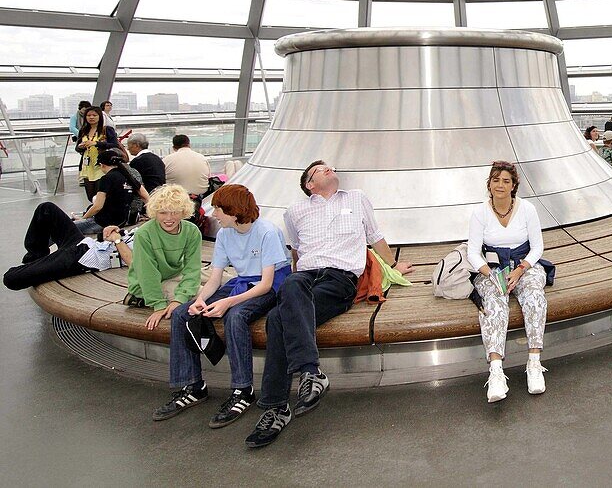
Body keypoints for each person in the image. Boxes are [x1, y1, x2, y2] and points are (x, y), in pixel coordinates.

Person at [245, 160, 413, 448]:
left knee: (277, 320)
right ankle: (310, 372)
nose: (329, 169)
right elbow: (297, 252)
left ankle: (276, 408)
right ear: (309, 184)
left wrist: (394, 265)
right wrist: (296, 286)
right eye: (321, 169)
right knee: (293, 284)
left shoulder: (357, 198)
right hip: (306, 277)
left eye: (329, 167)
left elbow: (374, 236)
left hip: (339, 280)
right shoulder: (295, 212)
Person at [154, 184, 292, 427]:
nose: (213, 212)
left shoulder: (267, 232)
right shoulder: (225, 234)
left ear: (234, 210)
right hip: (242, 282)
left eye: (218, 208)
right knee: (180, 314)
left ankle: (243, 390)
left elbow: (266, 284)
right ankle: (192, 385)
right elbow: (215, 279)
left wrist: (227, 302)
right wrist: (199, 300)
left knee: (235, 316)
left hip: (269, 287)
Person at [468, 161, 555, 403]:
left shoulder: (528, 209)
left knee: (535, 297)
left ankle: (534, 363)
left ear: (514, 185)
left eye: (506, 181)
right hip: (492, 269)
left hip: (524, 265)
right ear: (489, 184)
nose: (500, 185)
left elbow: (537, 247)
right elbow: (473, 253)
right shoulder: (480, 213)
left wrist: (519, 271)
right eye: (496, 180)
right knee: (494, 303)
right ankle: (496, 371)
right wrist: (490, 274)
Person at [126, 184, 202, 331]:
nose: (169, 218)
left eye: (174, 212)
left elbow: (193, 268)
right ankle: (137, 297)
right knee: (201, 292)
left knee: (222, 279)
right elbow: (147, 273)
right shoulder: (144, 234)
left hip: (175, 273)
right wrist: (159, 305)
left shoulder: (192, 231)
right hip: (147, 283)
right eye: (163, 213)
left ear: (183, 211)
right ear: (154, 212)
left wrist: (179, 299)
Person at [4, 207, 134, 291]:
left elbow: (134, 263)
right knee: (46, 209)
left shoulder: (153, 243)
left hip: (83, 258)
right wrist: (113, 231)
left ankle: (39, 265)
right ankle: (38, 258)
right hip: (86, 243)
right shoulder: (150, 229)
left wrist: (117, 239)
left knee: (11, 278)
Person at [72, 148, 148, 237]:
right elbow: (146, 197)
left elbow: (97, 206)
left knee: (64, 227)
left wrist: (83, 219)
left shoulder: (106, 179)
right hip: (121, 221)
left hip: (102, 222)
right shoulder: (128, 177)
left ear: (102, 165)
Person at [76, 105, 119, 201]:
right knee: (91, 196)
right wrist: (81, 147)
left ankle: (100, 213)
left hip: (102, 166)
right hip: (87, 166)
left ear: (99, 116)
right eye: (89, 115)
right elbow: (77, 148)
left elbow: (114, 145)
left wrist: (96, 143)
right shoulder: (83, 131)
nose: (91, 117)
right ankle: (95, 213)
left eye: (94, 115)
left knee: (101, 194)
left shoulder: (106, 130)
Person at [164, 134, 212, 216]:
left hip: (176, 198)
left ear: (174, 147)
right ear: (189, 144)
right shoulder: (202, 158)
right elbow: (208, 177)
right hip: (202, 197)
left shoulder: (167, 160)